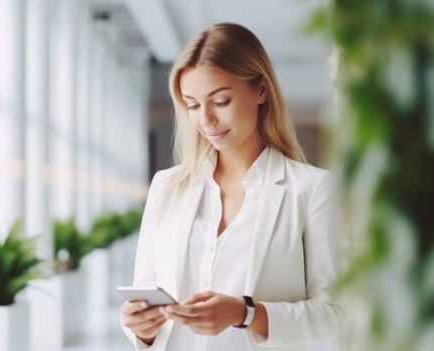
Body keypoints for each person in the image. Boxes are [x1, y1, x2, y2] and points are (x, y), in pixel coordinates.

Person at [120, 22, 344, 350]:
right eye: (193, 105)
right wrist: (139, 326)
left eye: (221, 101)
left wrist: (245, 312)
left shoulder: (312, 190)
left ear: (261, 91)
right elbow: (146, 305)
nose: (206, 120)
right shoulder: (166, 188)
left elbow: (334, 316)